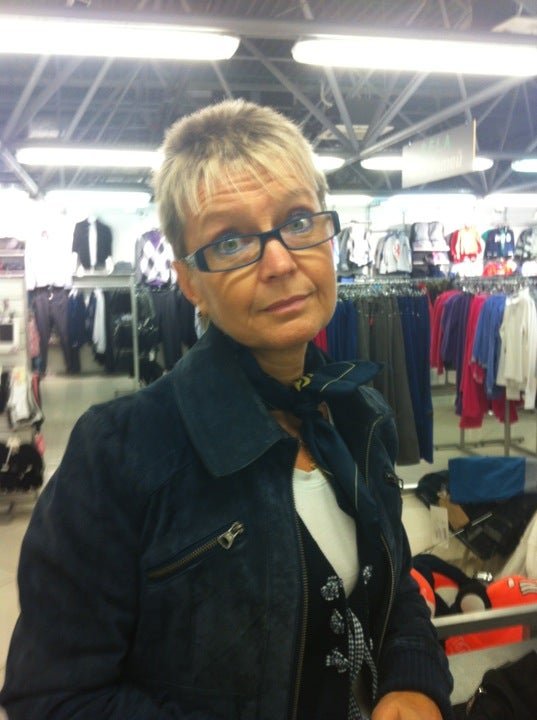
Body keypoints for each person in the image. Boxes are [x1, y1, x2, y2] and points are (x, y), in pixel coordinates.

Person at [0, 99, 453, 720]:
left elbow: (394, 585)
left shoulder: (359, 415)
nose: (280, 262)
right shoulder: (120, 453)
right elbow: (54, 696)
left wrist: (412, 680)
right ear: (190, 282)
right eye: (232, 241)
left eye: (299, 221)